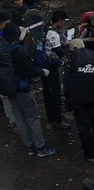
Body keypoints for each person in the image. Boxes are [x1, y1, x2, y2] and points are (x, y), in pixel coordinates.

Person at [3, 22, 56, 156]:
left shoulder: (3, 48)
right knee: (33, 117)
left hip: (7, 87)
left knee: (19, 118)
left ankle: (30, 147)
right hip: (21, 88)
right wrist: (43, 72)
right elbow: (30, 70)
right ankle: (41, 148)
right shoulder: (19, 50)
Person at [66, 38, 94, 161]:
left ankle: (90, 155)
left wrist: (68, 102)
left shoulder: (71, 62)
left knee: (84, 127)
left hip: (78, 100)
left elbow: (67, 85)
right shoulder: (93, 57)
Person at [41, 10, 72, 130]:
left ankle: (50, 116)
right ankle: (58, 120)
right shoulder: (53, 34)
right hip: (51, 66)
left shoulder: (45, 30)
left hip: (43, 64)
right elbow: (59, 53)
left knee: (47, 93)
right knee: (55, 93)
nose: (63, 24)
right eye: (63, 21)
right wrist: (67, 47)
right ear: (59, 21)